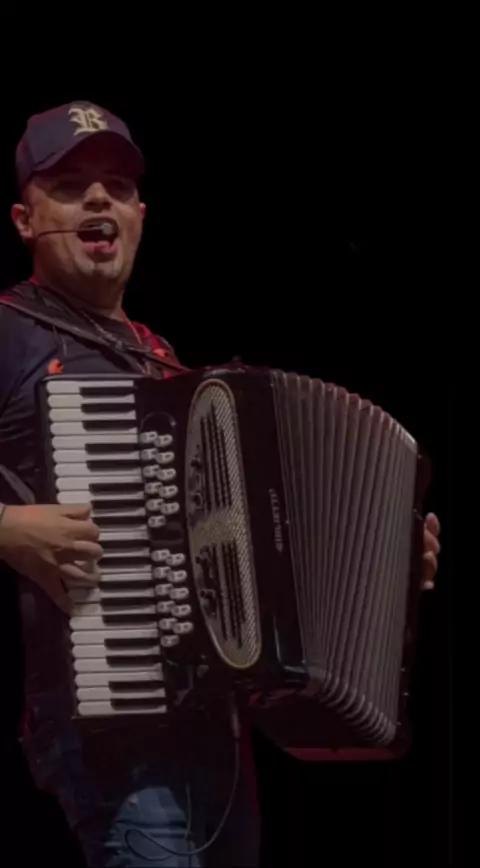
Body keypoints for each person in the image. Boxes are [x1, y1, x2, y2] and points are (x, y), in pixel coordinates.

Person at [0, 101, 441, 867]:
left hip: (215, 733)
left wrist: (390, 557)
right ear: (25, 220)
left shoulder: (158, 359)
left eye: (118, 187)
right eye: (70, 186)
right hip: (112, 735)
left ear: (140, 217)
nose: (99, 198)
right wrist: (6, 527)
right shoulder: (8, 331)